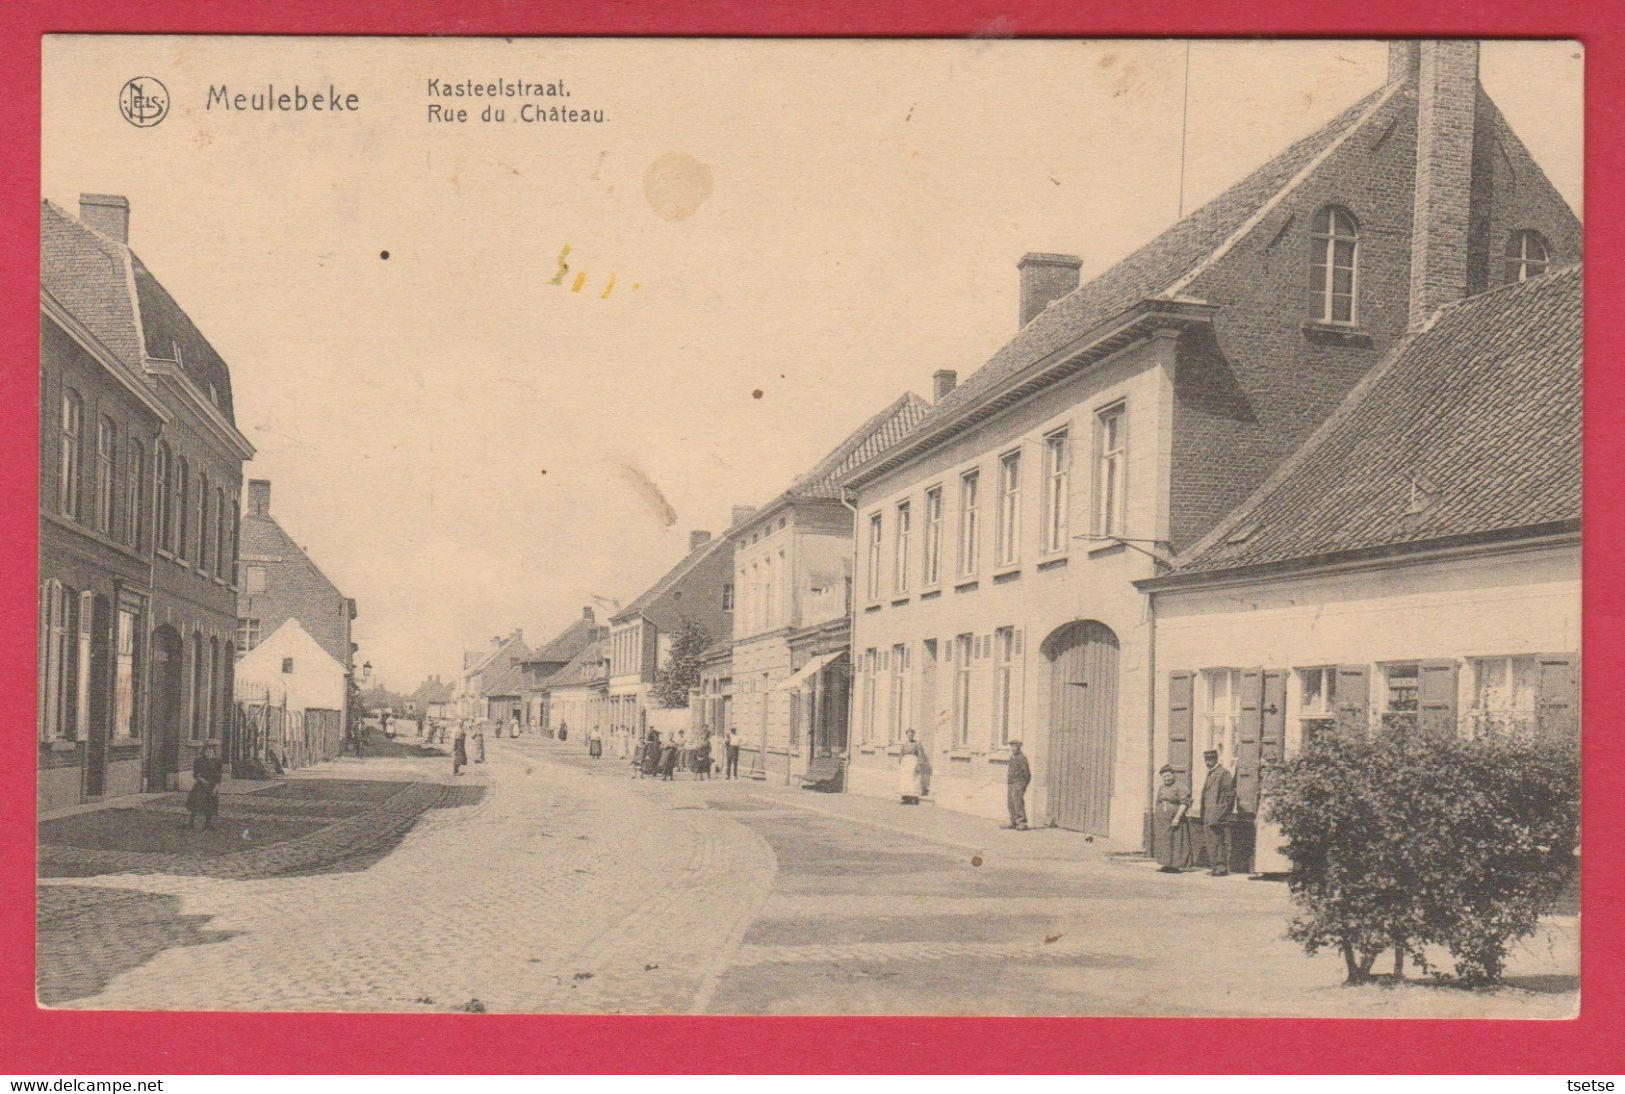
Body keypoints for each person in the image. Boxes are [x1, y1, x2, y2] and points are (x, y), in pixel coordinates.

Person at [1200, 749, 1237, 876]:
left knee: (1218, 841)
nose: (1208, 762)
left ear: (1216, 759)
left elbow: (1230, 795)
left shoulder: (1223, 773)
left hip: (1217, 814)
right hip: (1208, 814)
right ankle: (1215, 866)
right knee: (1211, 841)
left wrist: (1222, 812)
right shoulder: (1210, 774)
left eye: (1210, 759)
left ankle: (1221, 867)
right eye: (1206, 760)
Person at [1153, 764, 1193, 872]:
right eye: (1164, 777)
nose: (1166, 778)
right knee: (1164, 840)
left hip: (1175, 818)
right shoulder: (1162, 787)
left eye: (1168, 776)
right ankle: (1166, 864)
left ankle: (1175, 865)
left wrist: (1177, 817)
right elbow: (1158, 802)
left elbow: (1184, 803)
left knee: (1176, 840)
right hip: (1163, 820)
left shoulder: (1180, 786)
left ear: (1173, 775)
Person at [184, 743, 224, 830]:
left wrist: (216, 787)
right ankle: (191, 822)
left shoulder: (217, 762)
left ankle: (208, 824)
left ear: (214, 753)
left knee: (211, 804)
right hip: (200, 785)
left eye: (211, 751)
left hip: (212, 786)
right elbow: (195, 774)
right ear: (204, 752)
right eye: (207, 751)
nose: (209, 753)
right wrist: (201, 779)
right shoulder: (199, 761)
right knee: (196, 803)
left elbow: (219, 776)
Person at [1006, 739, 1031, 829]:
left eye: (1014, 746)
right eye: (1011, 746)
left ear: (1019, 747)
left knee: (1017, 802)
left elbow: (1027, 773)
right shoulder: (1012, 757)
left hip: (1019, 782)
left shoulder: (1022, 758)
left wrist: (1023, 785)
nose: (1013, 748)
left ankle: (1022, 822)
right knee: (1010, 802)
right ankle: (1013, 821)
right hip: (1011, 782)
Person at [897, 730, 926, 805]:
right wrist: (900, 762)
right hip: (905, 763)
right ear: (907, 735)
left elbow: (920, 754)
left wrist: (919, 765)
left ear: (914, 735)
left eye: (912, 735)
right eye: (909, 735)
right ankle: (906, 798)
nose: (910, 736)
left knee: (913, 779)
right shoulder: (904, 744)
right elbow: (901, 754)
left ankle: (913, 797)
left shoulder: (917, 744)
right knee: (905, 780)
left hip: (913, 762)